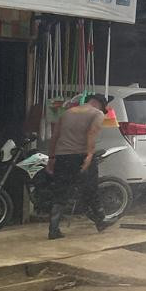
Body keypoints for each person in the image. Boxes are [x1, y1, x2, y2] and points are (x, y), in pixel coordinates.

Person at [45, 92, 113, 239]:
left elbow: (55, 136)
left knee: (60, 192)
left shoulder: (66, 113)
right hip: (81, 156)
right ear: (100, 104)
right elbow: (92, 133)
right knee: (90, 188)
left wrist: (51, 157)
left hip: (62, 156)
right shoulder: (97, 114)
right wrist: (89, 155)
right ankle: (101, 220)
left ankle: (53, 229)